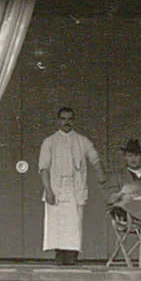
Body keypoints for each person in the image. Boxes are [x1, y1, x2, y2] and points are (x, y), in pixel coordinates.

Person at [39, 106, 105, 265]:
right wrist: (48, 190)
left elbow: (94, 158)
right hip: (56, 188)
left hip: (75, 188)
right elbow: (43, 168)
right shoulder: (49, 142)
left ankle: (72, 257)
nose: (66, 122)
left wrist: (101, 176)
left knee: (74, 225)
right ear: (58, 120)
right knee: (57, 225)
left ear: (73, 121)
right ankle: (59, 257)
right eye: (63, 118)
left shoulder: (82, 141)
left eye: (69, 119)